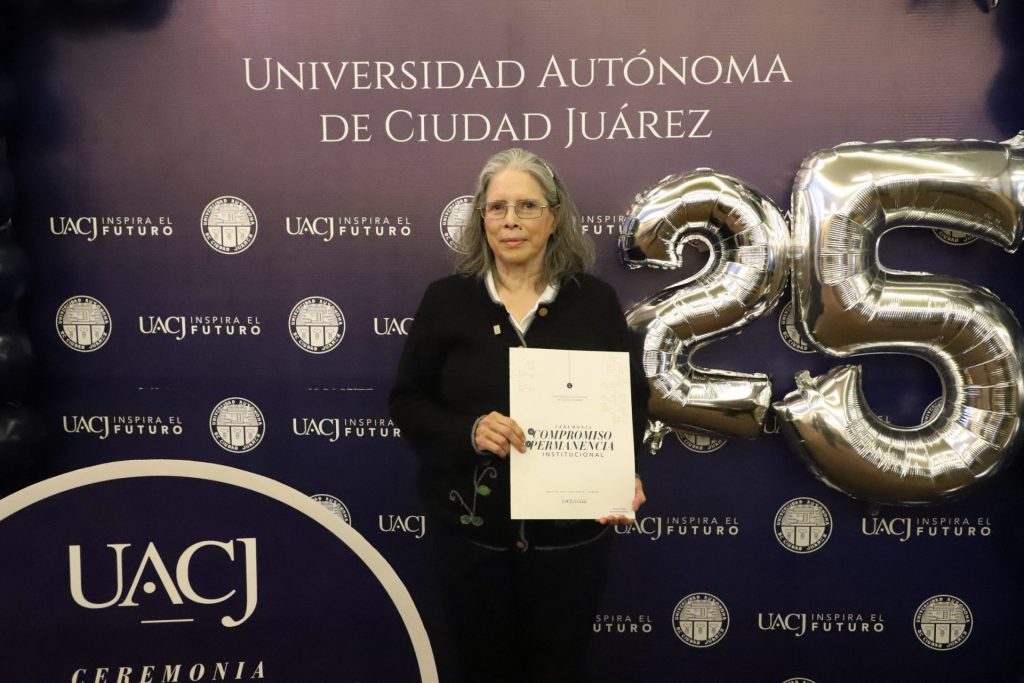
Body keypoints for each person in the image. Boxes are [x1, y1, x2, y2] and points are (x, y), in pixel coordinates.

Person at [389, 148, 649, 683]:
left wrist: (624, 473)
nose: (511, 220)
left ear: (554, 217)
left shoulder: (595, 302)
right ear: (481, 220)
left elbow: (629, 401)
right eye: (497, 207)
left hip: (570, 545)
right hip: (473, 544)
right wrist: (469, 431)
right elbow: (408, 401)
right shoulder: (446, 301)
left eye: (527, 206)